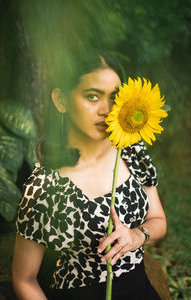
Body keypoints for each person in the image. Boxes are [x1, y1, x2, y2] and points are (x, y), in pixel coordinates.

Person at [12, 48, 167, 300]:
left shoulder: (131, 151)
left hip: (140, 289)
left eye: (114, 98)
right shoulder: (44, 186)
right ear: (61, 101)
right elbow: (23, 279)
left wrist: (137, 235)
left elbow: (159, 221)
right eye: (92, 97)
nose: (106, 110)